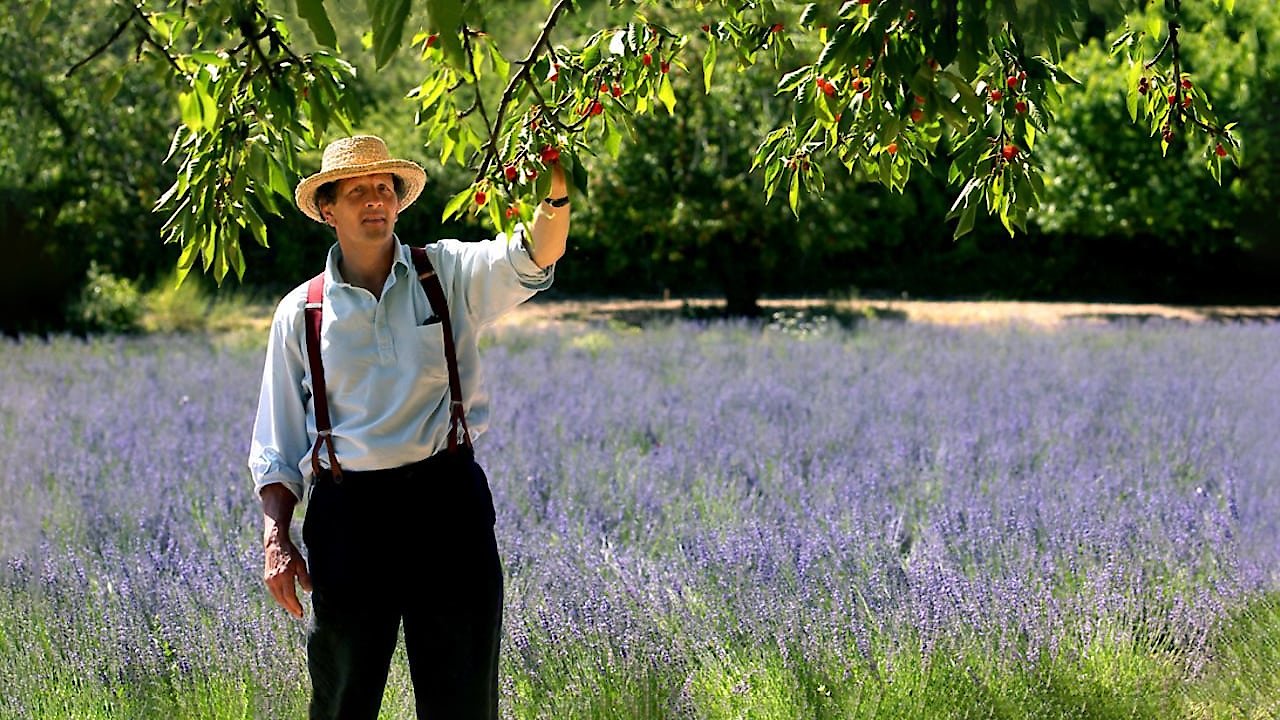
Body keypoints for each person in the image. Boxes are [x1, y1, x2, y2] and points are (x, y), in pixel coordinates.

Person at [247, 134, 568, 720]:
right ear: (328, 210)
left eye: (383, 189)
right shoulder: (302, 312)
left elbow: (533, 255)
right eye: (357, 192)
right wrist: (277, 538)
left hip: (446, 503)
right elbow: (277, 441)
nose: (375, 200)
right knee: (344, 700)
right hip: (349, 516)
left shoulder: (443, 272)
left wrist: (558, 191)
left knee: (463, 699)